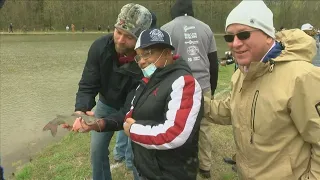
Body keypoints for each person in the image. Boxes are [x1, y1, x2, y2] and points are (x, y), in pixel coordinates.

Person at [66, 28, 203, 180]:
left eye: (148, 54)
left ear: (167, 52)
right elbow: (127, 113)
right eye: (139, 56)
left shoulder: (184, 83)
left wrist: (132, 129)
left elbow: (175, 134)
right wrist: (98, 124)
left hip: (171, 171)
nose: (142, 61)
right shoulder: (146, 81)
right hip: (148, 166)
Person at [205, 0, 320, 179]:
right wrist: (195, 103)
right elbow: (232, 110)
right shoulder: (243, 73)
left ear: (268, 35)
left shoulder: (302, 77)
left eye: (243, 35)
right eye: (229, 37)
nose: (235, 44)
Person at [73, 3, 152, 180]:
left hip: (136, 111)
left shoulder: (147, 61)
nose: (120, 40)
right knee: (97, 152)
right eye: (118, 32)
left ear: (140, 39)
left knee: (139, 157)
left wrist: (101, 124)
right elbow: (88, 83)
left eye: (128, 36)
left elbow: (129, 109)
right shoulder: (100, 46)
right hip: (106, 103)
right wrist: (81, 108)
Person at [161, 0, 219, 178]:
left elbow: (162, 62)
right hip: (203, 85)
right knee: (204, 126)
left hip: (179, 86)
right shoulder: (206, 28)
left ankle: (182, 161)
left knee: (177, 124)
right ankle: (205, 165)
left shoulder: (166, 29)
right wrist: (212, 88)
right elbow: (213, 62)